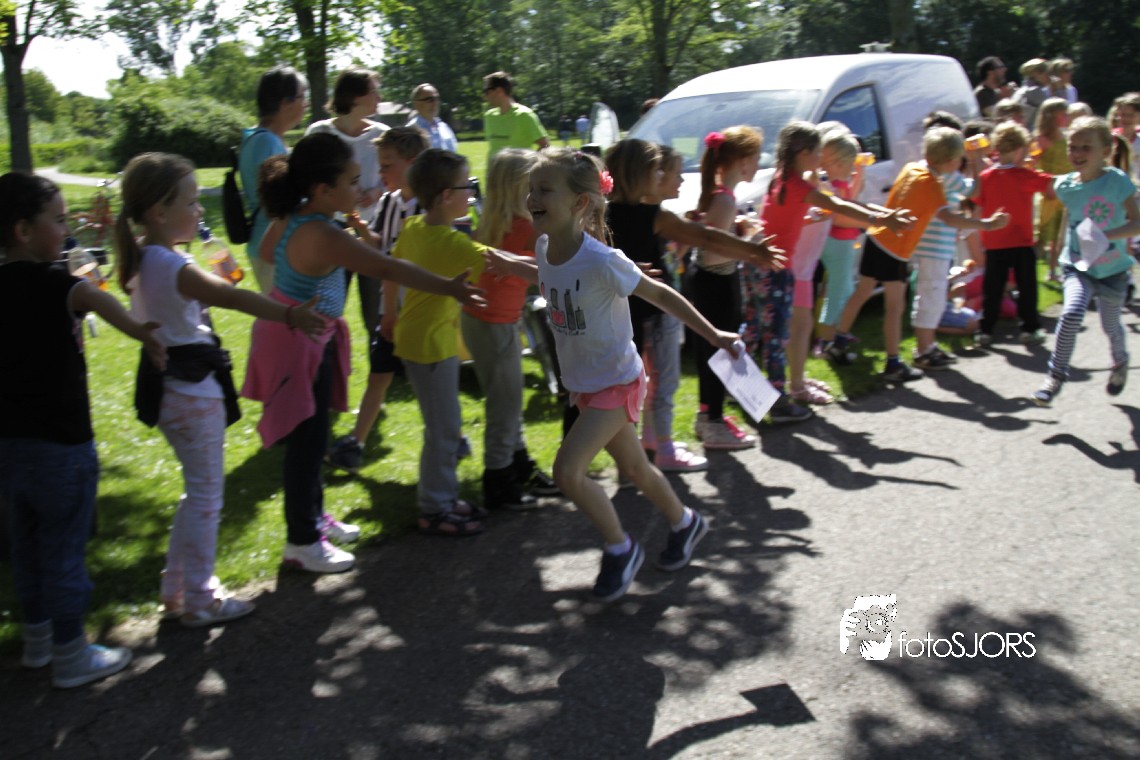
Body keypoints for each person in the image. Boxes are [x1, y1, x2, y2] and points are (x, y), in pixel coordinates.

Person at [486, 148, 744, 602]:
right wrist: (511, 265)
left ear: (580, 202)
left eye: (545, 190)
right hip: (584, 384)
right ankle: (685, 522)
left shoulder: (603, 260)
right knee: (636, 468)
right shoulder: (546, 247)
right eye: (531, 189)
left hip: (617, 381)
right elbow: (546, 272)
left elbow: (662, 295)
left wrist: (715, 333)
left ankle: (620, 548)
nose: (533, 198)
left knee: (567, 471)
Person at [242, 133, 486, 570]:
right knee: (306, 444)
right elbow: (387, 265)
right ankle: (302, 542)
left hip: (300, 332)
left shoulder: (297, 215)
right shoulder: (324, 232)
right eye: (353, 182)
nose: (361, 189)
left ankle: (313, 518)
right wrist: (447, 287)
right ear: (323, 189)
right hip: (299, 340)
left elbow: (266, 251)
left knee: (313, 436)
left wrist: (300, 277)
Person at [116, 153, 326, 626]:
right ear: (159, 212)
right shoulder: (170, 264)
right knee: (207, 498)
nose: (199, 211)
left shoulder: (144, 257)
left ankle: (176, 591)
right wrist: (290, 314)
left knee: (197, 494)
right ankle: (200, 599)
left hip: (169, 390)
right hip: (192, 392)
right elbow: (231, 296)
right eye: (191, 202)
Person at [0, 173, 166, 688]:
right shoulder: (57, 284)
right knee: (64, 549)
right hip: (62, 445)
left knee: (26, 547)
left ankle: (38, 641)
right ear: (23, 230)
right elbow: (97, 299)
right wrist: (141, 332)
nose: (66, 228)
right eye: (57, 220)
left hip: (8, 446)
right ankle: (72, 653)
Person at [605, 139, 783, 462]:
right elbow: (706, 237)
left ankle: (641, 454)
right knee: (661, 383)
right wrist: (753, 251)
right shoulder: (652, 216)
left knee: (629, 388)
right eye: (657, 170)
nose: (662, 176)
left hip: (619, 316)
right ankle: (661, 450)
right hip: (653, 311)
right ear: (641, 174)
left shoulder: (600, 215)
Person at [746, 122, 912, 414]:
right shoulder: (798, 185)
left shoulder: (786, 177)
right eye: (817, 152)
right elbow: (840, 206)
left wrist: (884, 213)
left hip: (782, 266)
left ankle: (781, 385)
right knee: (776, 334)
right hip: (779, 267)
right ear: (804, 153)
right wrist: (883, 219)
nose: (821, 158)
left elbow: (835, 204)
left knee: (786, 328)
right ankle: (769, 395)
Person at [826, 128, 1006, 381]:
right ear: (950, 161)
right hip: (896, 249)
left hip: (876, 238)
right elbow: (949, 218)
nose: (960, 163)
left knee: (862, 292)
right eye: (959, 159)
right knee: (894, 307)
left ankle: (837, 342)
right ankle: (893, 364)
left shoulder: (912, 168)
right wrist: (986, 224)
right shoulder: (932, 185)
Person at [382, 148, 496, 534]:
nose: (472, 193)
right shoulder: (452, 244)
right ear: (447, 196)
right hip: (430, 346)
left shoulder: (415, 226)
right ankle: (434, 508)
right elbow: (502, 264)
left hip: (423, 341)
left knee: (444, 425)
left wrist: (388, 314)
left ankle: (443, 498)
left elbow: (391, 271)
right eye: (468, 186)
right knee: (444, 429)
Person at [328, 127, 430, 473]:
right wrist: (360, 228)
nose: (381, 172)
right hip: (391, 310)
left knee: (427, 383)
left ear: (413, 163)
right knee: (379, 374)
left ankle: (451, 436)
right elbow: (380, 246)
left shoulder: (428, 208)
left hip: (418, 312)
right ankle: (356, 443)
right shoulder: (389, 202)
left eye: (387, 165)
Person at [461, 148, 559, 509]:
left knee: (508, 401)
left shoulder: (494, 220)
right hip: (494, 324)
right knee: (505, 408)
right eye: (538, 187)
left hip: (483, 321)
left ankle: (518, 465)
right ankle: (499, 481)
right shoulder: (526, 227)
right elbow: (558, 264)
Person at [1032, 116, 1140, 406]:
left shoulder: (1116, 181)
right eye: (1073, 147)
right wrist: (1056, 251)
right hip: (1078, 266)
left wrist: (1106, 235)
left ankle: (1120, 361)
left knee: (1111, 326)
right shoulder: (1065, 186)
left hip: (1113, 270)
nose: (1077, 153)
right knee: (1071, 313)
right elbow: (1069, 217)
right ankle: (1055, 376)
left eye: (1086, 148)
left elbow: (1137, 222)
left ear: (1105, 151)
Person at [305, 67, 389, 339]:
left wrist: (376, 192)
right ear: (354, 96)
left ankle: (380, 354)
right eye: (374, 91)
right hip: (331, 229)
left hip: (371, 231)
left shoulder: (383, 135)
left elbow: (394, 177)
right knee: (326, 305)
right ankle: (323, 349)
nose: (379, 97)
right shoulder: (319, 133)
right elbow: (306, 178)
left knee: (375, 310)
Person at [973, 121, 1055, 347]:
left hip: (994, 241)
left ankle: (985, 330)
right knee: (1027, 287)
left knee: (992, 288)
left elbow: (977, 200)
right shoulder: (1025, 175)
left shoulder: (986, 176)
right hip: (1021, 240)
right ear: (1020, 149)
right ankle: (1030, 328)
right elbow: (1051, 187)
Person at [240, 65, 309, 293]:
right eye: (302, 97)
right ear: (285, 103)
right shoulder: (266, 143)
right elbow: (281, 202)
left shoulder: (262, 138)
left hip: (271, 246)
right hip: (274, 249)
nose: (306, 104)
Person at [816, 130, 869, 358]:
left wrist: (860, 172)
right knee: (838, 293)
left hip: (842, 242)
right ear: (838, 163)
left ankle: (838, 332)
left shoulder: (837, 184)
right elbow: (841, 213)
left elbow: (853, 197)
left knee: (846, 289)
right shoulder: (832, 187)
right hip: (838, 243)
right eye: (851, 163)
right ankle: (826, 342)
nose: (853, 168)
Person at [1033, 98, 1074, 282]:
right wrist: (1044, 185)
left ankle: (1053, 270)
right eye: (1063, 114)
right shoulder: (1041, 140)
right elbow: (1031, 165)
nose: (1067, 117)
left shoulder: (1067, 137)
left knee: (1061, 235)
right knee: (1045, 235)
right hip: (1051, 193)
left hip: (1068, 191)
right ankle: (1028, 269)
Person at [482, 71, 549, 172]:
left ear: (499, 90)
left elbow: (545, 146)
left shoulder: (524, 115)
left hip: (519, 178)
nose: (485, 96)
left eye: (486, 91)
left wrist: (528, 166)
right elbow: (493, 149)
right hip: (495, 177)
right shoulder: (489, 116)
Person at [407, 83, 458, 152]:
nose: (435, 103)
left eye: (437, 99)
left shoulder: (444, 127)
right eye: (430, 100)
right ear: (417, 104)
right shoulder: (410, 131)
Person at [1013, 58, 1052, 129]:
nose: (1050, 77)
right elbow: (1052, 113)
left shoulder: (1020, 91)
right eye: (1048, 73)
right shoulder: (1036, 92)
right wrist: (1055, 90)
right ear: (1037, 73)